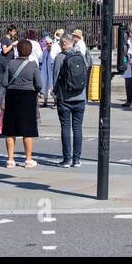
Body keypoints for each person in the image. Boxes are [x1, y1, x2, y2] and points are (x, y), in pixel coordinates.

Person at [52, 33, 91, 167]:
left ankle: (67, 159)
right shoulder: (81, 56)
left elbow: (56, 78)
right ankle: (77, 159)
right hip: (80, 97)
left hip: (65, 98)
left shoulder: (60, 58)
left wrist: (55, 95)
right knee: (78, 128)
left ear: (63, 43)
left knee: (65, 128)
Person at [1, 38, 39, 168]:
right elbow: (38, 83)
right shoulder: (33, 64)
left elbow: (5, 82)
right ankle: (28, 159)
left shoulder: (10, 63)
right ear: (29, 51)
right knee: (27, 130)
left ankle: (10, 159)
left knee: (10, 129)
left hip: (12, 96)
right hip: (28, 97)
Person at [38, 32, 59, 107]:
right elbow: (40, 59)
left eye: (50, 43)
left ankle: (56, 101)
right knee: (45, 86)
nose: (49, 45)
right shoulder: (44, 51)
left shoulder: (54, 50)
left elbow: (54, 59)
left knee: (52, 85)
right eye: (47, 43)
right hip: (45, 71)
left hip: (51, 71)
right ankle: (45, 102)